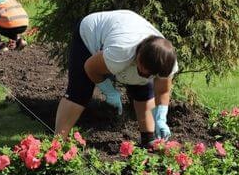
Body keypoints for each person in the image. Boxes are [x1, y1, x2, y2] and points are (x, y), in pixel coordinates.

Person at [54, 10, 178, 146]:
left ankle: (149, 140)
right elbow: (90, 67)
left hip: (125, 31)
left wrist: (161, 118)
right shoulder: (120, 51)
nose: (147, 75)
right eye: (144, 70)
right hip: (90, 33)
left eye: (152, 74)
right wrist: (110, 92)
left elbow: (163, 91)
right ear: (139, 56)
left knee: (143, 90)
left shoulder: (166, 62)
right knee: (79, 92)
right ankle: (57, 143)